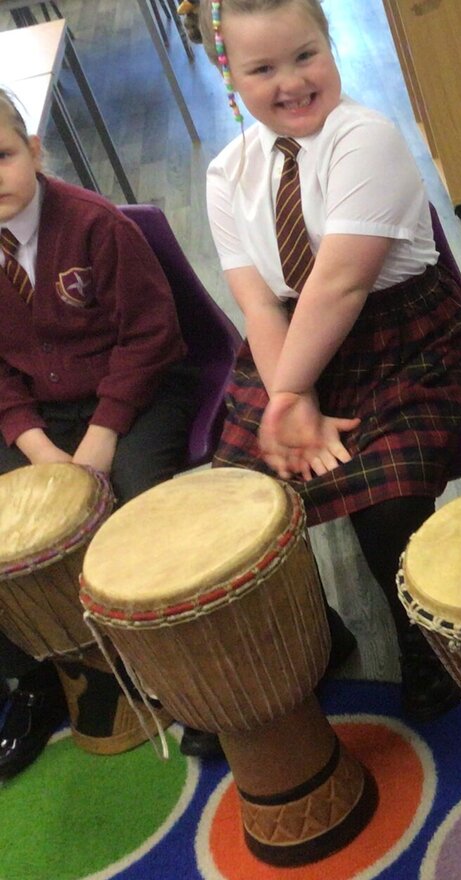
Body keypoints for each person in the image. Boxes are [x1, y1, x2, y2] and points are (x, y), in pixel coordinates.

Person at [183, 0, 461, 722]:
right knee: (247, 500)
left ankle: (421, 639)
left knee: (387, 500)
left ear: (332, 43)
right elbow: (260, 305)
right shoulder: (228, 171)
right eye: (262, 68)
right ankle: (315, 637)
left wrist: (287, 396)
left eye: (306, 55)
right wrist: (293, 396)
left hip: (402, 340)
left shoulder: (366, 137)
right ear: (231, 77)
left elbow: (341, 284)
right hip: (291, 348)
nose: (290, 82)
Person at [0, 87, 195, 771]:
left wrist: (104, 434)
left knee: (140, 504)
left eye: (1, 156)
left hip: (140, 392)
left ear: (34, 150)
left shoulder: (95, 225)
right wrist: (33, 443)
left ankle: (187, 668)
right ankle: (31, 676)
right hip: (41, 416)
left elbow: (151, 339)